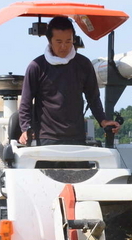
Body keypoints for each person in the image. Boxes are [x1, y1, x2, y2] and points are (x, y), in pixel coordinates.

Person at [18, 16, 120, 145]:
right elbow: (26, 102)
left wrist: (103, 120)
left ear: (73, 39)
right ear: (49, 40)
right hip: (46, 137)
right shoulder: (37, 66)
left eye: (68, 41)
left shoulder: (83, 64)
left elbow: (93, 97)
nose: (63, 47)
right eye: (59, 41)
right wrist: (25, 128)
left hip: (76, 137)